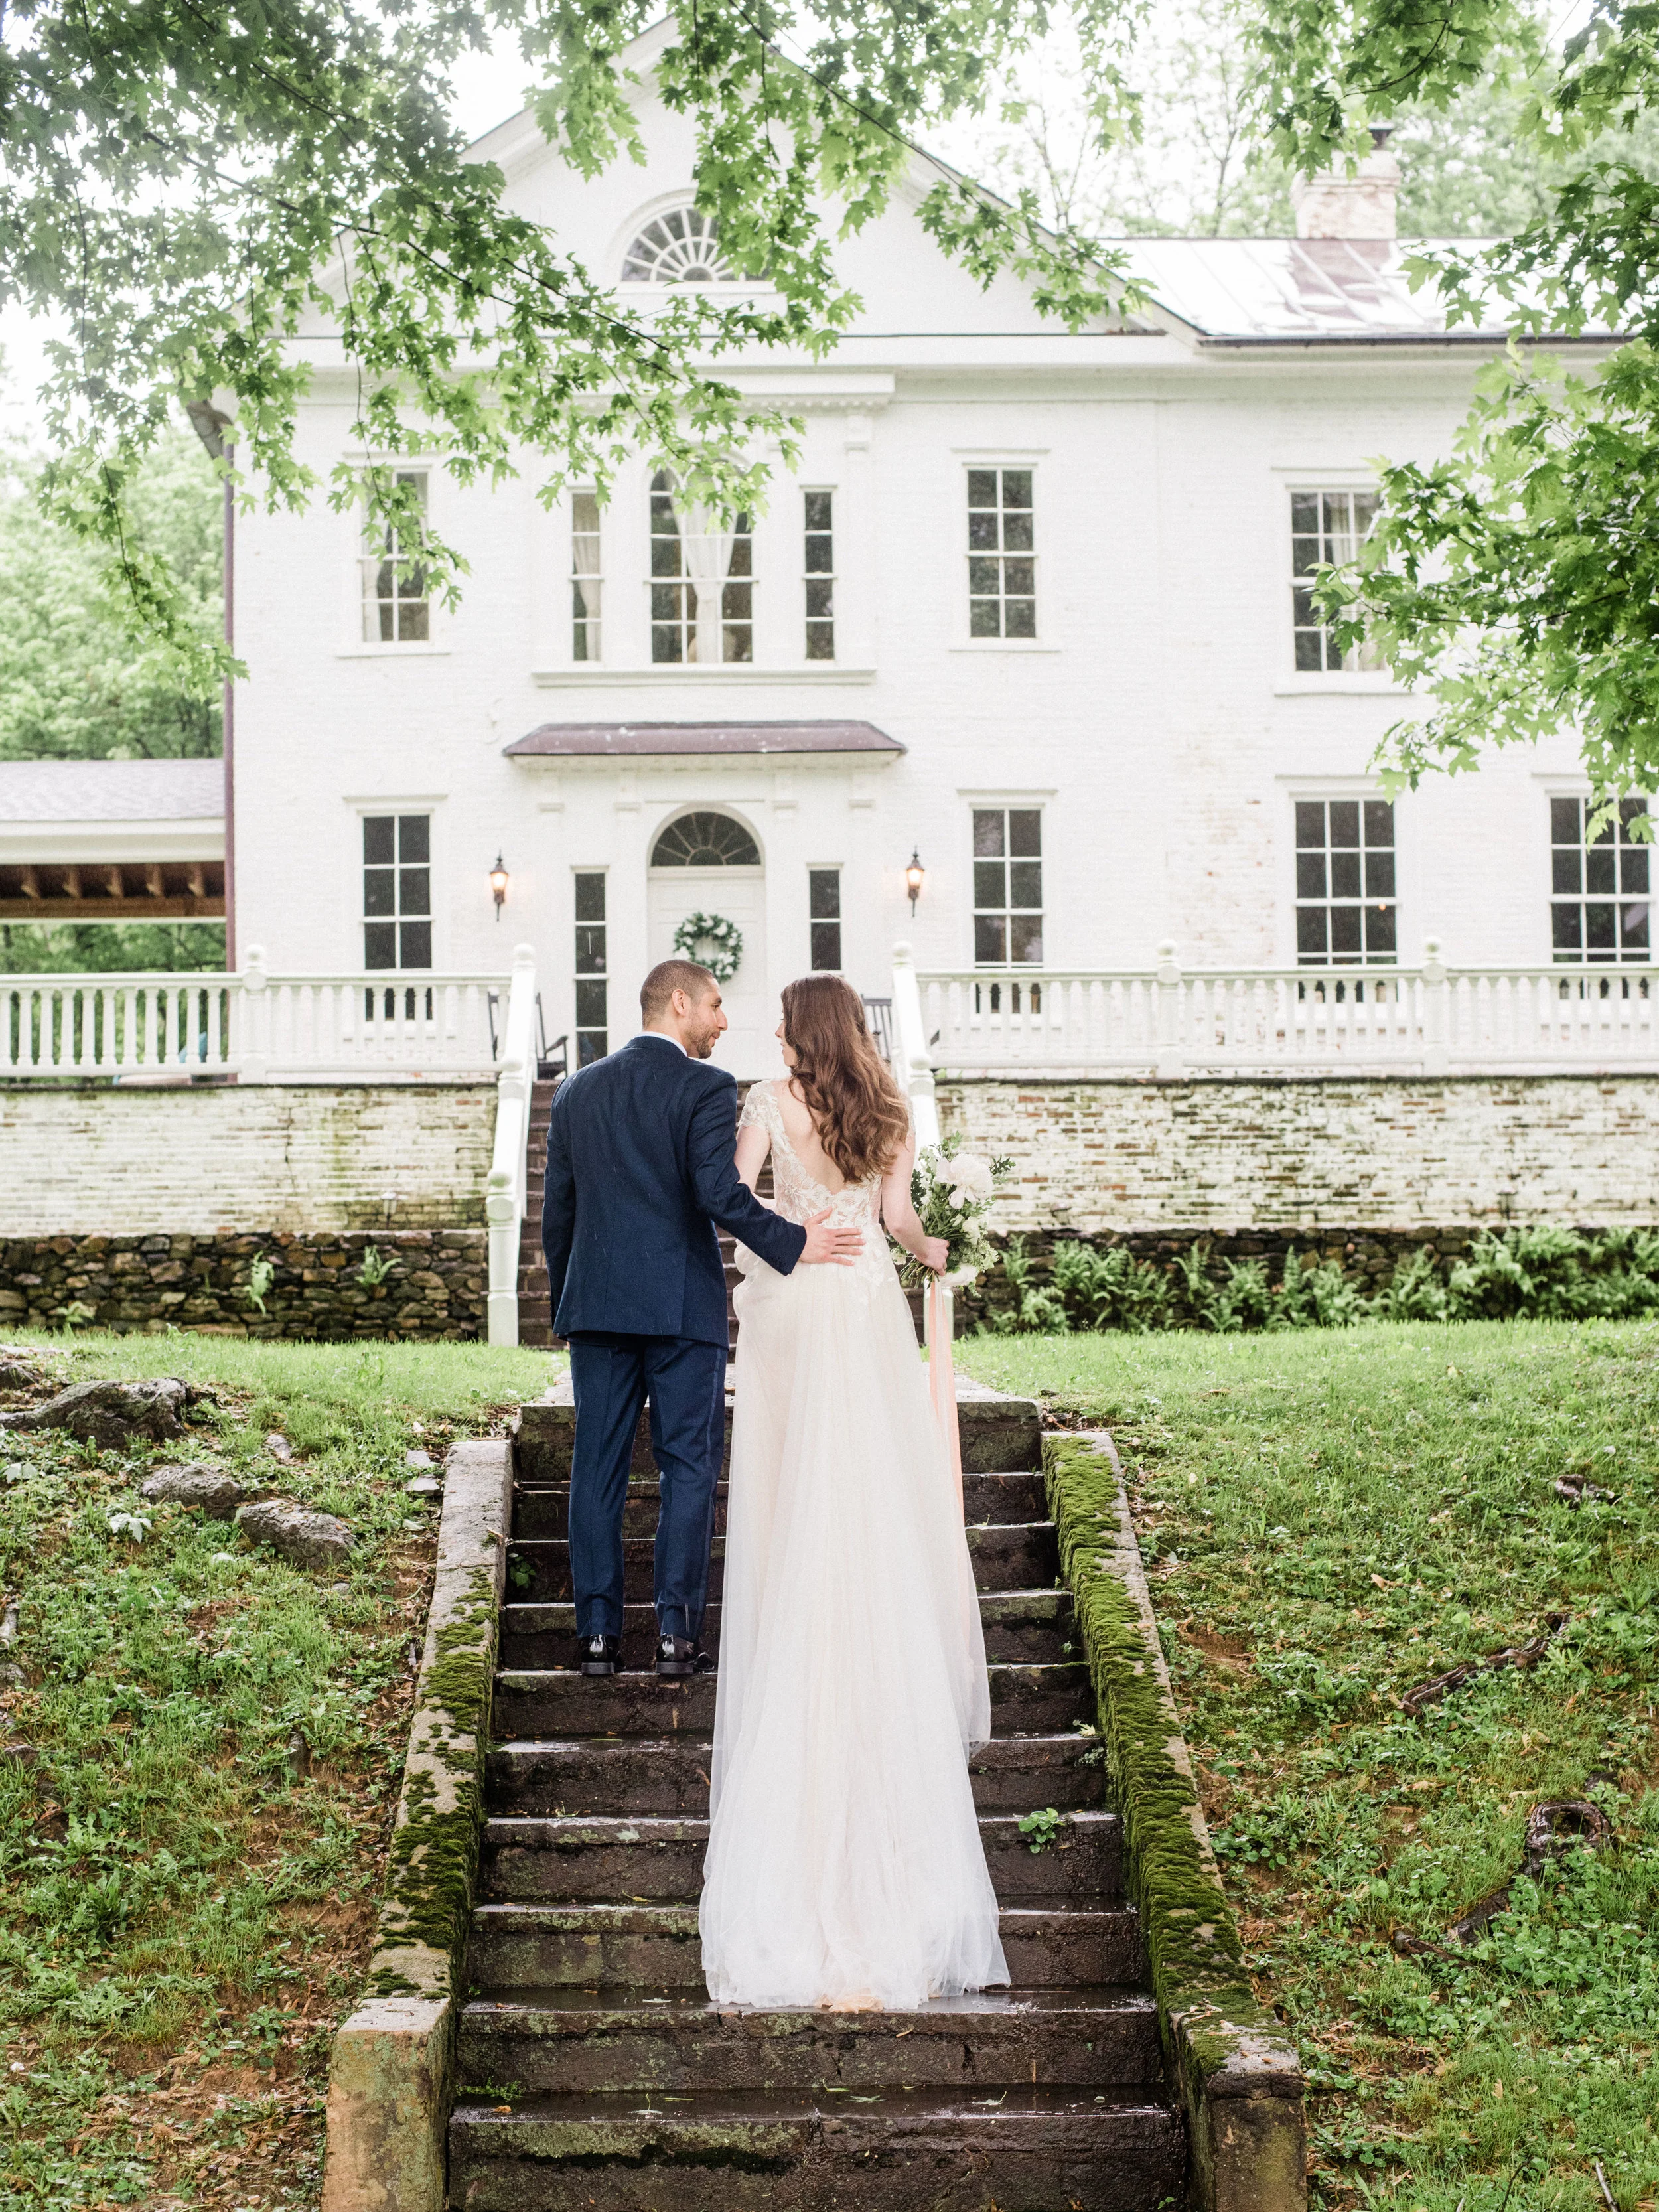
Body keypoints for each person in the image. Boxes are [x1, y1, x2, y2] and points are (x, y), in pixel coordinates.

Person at [699, 972, 1009, 2010]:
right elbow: (899, 1215)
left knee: (802, 1486)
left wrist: (795, 1236)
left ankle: (803, 1589)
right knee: (871, 1478)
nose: (775, 1033)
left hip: (802, 1299)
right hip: (866, 1295)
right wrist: (934, 1251)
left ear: (804, 1027)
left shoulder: (763, 1106)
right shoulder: (890, 1109)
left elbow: (733, 1204)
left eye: (785, 1019)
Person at [541, 958, 865, 1680]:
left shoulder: (575, 1092)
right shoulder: (705, 1087)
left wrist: (571, 1301)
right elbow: (719, 1193)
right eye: (717, 1006)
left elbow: (557, 1214)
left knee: (596, 1468)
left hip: (596, 1310)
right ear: (679, 1002)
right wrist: (793, 1242)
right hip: (682, 1309)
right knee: (688, 1469)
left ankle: (595, 1637)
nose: (725, 1021)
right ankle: (674, 1638)